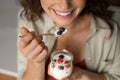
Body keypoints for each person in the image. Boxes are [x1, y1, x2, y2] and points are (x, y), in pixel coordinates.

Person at [17, 0, 120, 80]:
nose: (64, 6)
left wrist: (82, 75)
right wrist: (36, 62)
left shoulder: (111, 32)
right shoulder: (30, 23)